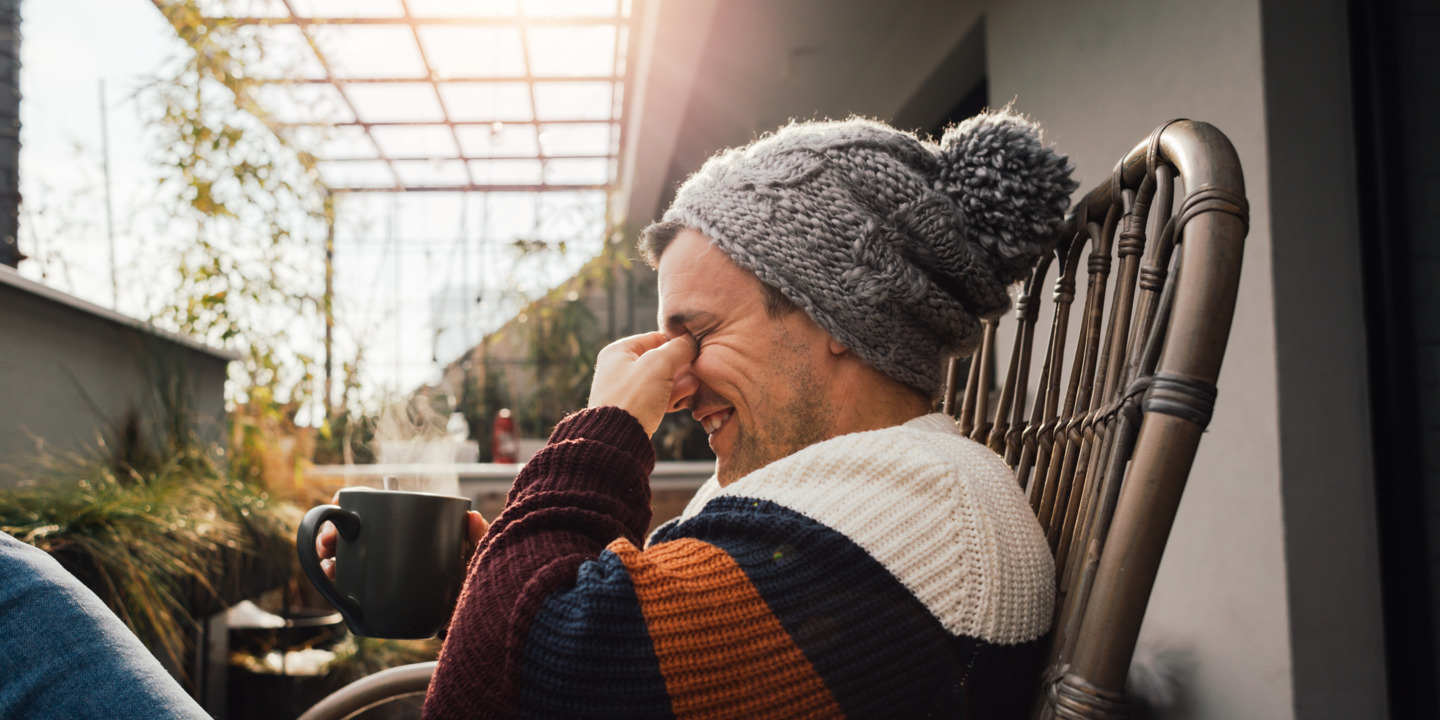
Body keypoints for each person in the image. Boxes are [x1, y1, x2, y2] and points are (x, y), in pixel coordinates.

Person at [416, 109, 1078, 719]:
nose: (676, 382)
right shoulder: (843, 492)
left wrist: (604, 431)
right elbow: (589, 651)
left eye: (698, 335)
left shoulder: (923, 512)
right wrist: (489, 586)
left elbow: (532, 685)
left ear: (838, 316)